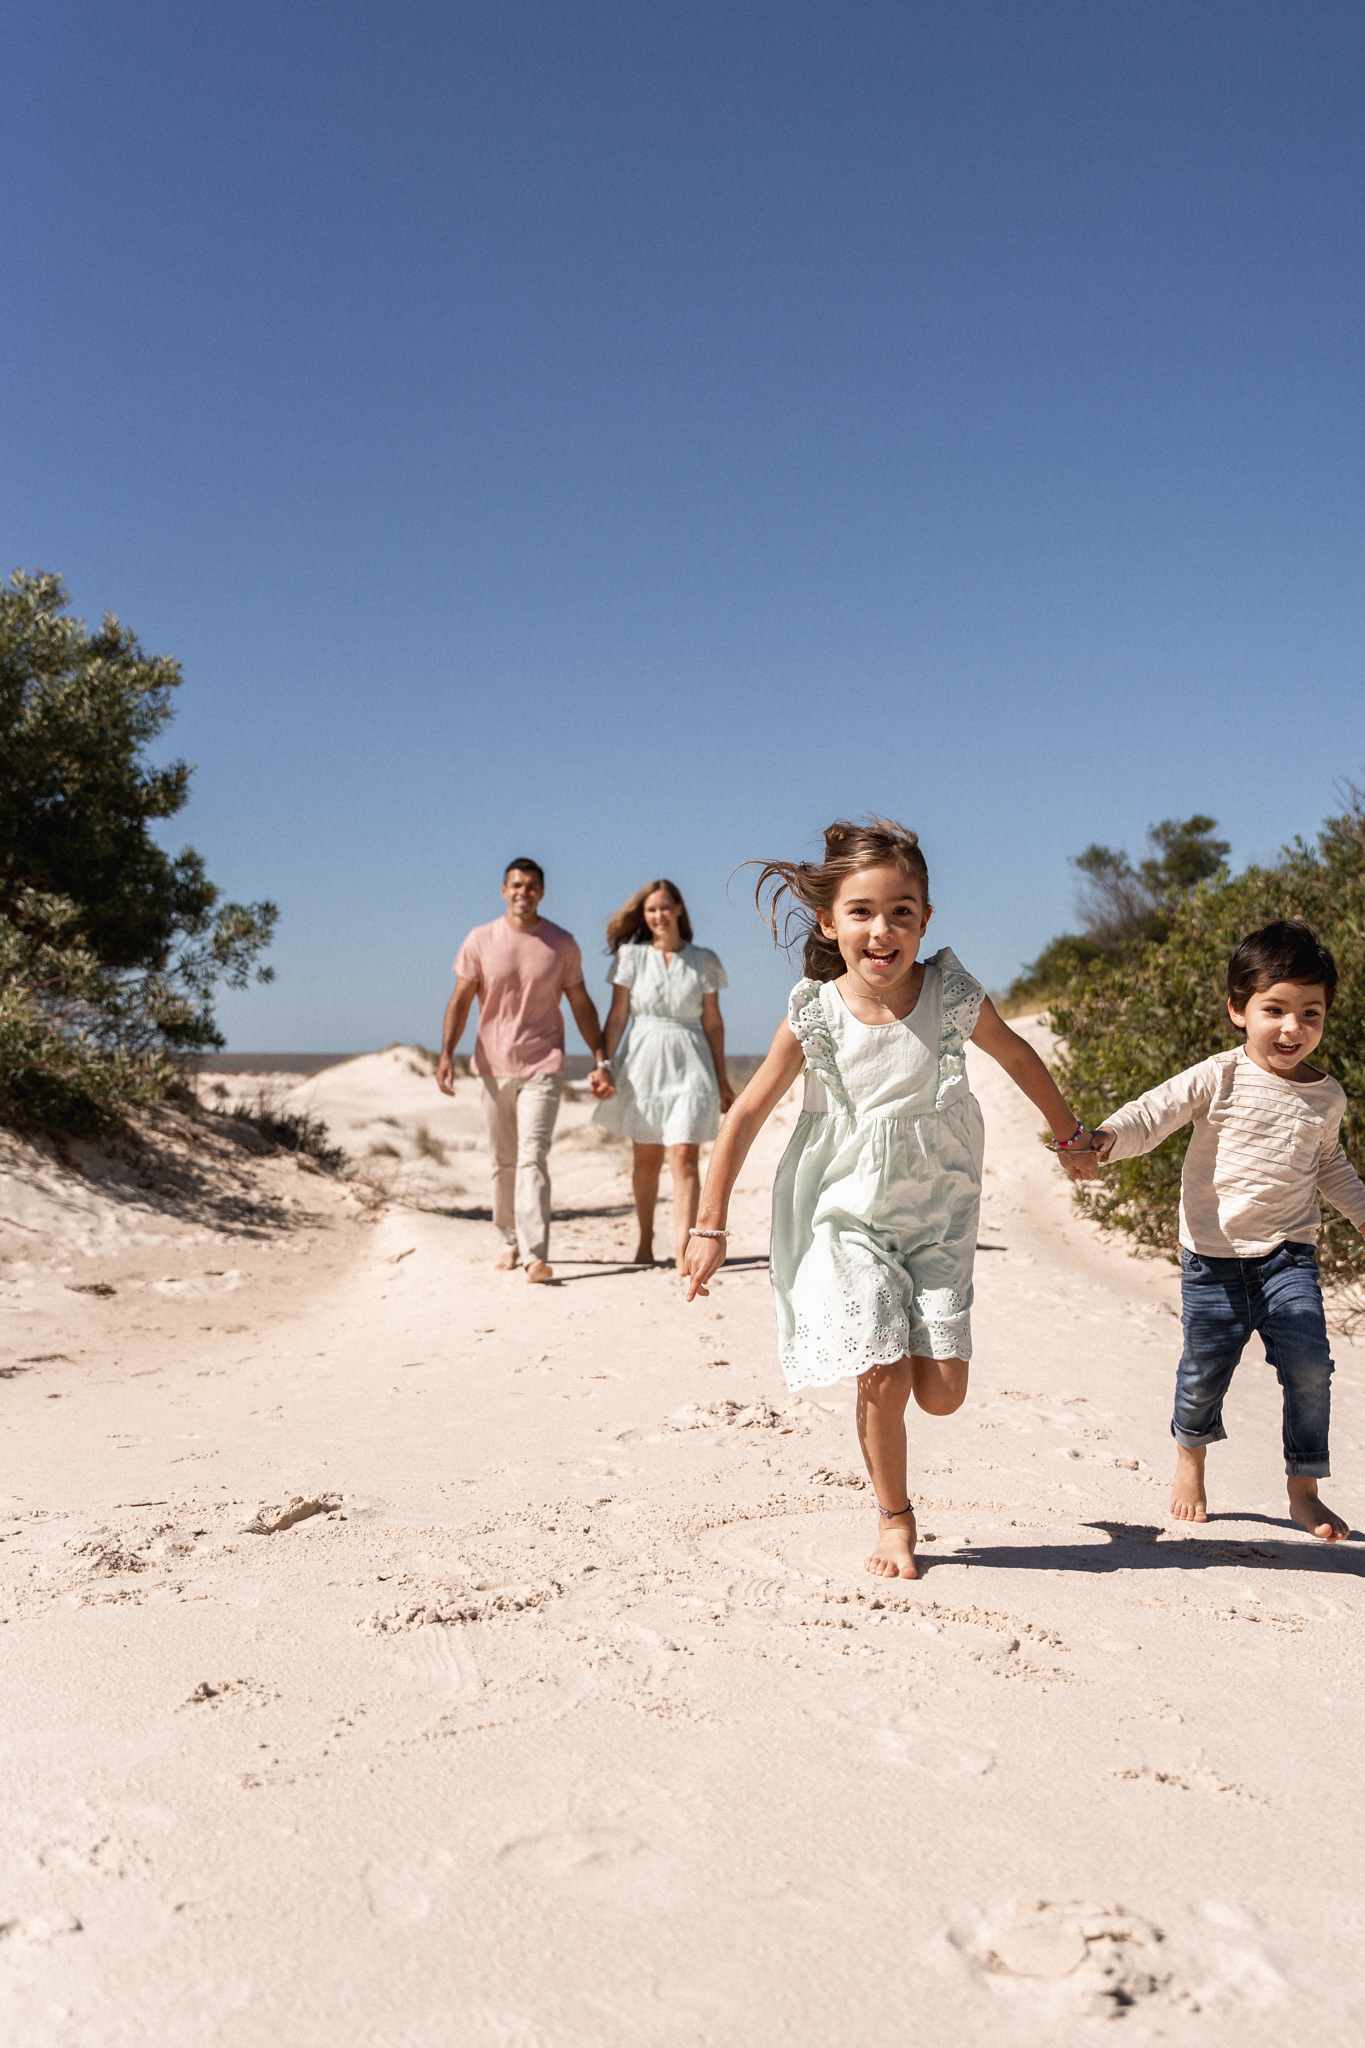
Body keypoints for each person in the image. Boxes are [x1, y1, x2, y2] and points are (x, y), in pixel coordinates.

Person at [683, 818, 1090, 1581]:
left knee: (940, 1395)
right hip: (841, 1214)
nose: (882, 928)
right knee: (882, 1369)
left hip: (938, 1215)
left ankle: (901, 1337)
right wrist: (709, 1226)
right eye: (862, 911)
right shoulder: (814, 1012)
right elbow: (743, 1116)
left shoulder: (952, 996)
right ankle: (894, 1518)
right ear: (829, 923)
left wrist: (1069, 1137)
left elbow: (1017, 1056)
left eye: (901, 910)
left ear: (925, 920)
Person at [1063, 919, 1365, 1542]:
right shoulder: (1218, 1076)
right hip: (1213, 1261)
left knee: (1311, 1365)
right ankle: (1190, 1461)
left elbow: (1329, 1164)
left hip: (1290, 1257)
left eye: (1311, 1013)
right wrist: (1105, 1141)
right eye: (1274, 1009)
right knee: (1204, 1372)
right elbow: (1154, 1112)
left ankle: (1304, 1491)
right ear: (1238, 1010)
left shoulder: (1326, 1097)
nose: (1292, 1028)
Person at [437, 858, 614, 1283]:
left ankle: (536, 1254)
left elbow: (581, 1003)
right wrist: (446, 1054)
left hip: (544, 1062)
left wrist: (600, 1056)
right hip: (492, 1066)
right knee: (504, 1161)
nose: (524, 892)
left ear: (542, 892)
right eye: (517, 885)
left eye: (532, 886)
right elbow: (460, 1000)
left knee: (533, 1156)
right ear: (504, 890)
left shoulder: (561, 943)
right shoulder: (480, 939)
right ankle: (508, 1240)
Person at [593, 878, 735, 1269]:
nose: (658, 915)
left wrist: (722, 1079)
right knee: (646, 1159)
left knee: (684, 1156)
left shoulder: (704, 960)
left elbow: (713, 1023)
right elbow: (618, 1017)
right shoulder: (630, 957)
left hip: (692, 1061)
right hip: (642, 1063)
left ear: (678, 910)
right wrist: (603, 1064)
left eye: (665, 907)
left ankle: (682, 1253)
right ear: (644, 915)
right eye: (651, 909)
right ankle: (644, 1240)